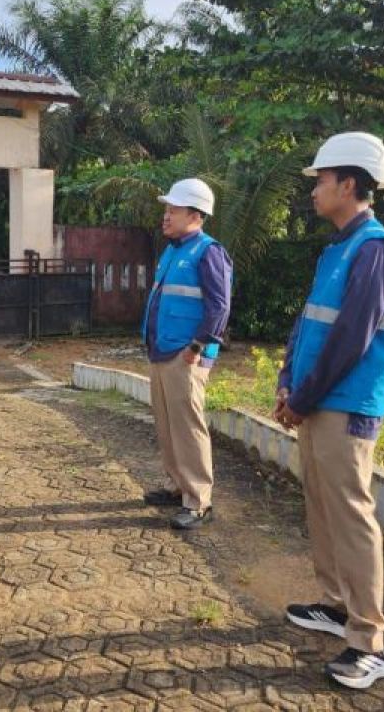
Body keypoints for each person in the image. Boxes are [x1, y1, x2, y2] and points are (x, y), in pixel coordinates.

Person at [274, 132, 384, 690]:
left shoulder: (375, 248)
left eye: (322, 181)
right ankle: (336, 606)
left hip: (346, 405)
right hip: (318, 399)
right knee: (324, 505)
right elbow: (309, 326)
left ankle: (370, 643)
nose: (314, 191)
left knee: (350, 515)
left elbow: (352, 337)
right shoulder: (338, 249)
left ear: (349, 184)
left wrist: (303, 396)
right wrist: (289, 382)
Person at [141, 178, 233, 530]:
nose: (166, 216)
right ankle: (178, 487)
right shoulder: (174, 250)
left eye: (173, 210)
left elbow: (219, 308)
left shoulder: (209, 252)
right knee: (167, 426)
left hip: (186, 356)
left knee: (188, 428)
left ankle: (198, 501)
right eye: (166, 209)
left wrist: (196, 348)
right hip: (161, 352)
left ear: (195, 215)